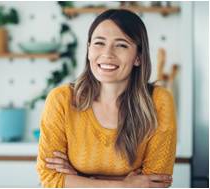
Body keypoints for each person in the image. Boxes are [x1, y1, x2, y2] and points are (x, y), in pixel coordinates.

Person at [36, 9, 177, 188]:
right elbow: (49, 178)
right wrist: (123, 185)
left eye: (121, 45)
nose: (107, 54)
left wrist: (81, 179)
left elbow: (156, 182)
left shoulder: (158, 101)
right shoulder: (61, 100)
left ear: (138, 58)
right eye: (99, 43)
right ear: (88, 51)